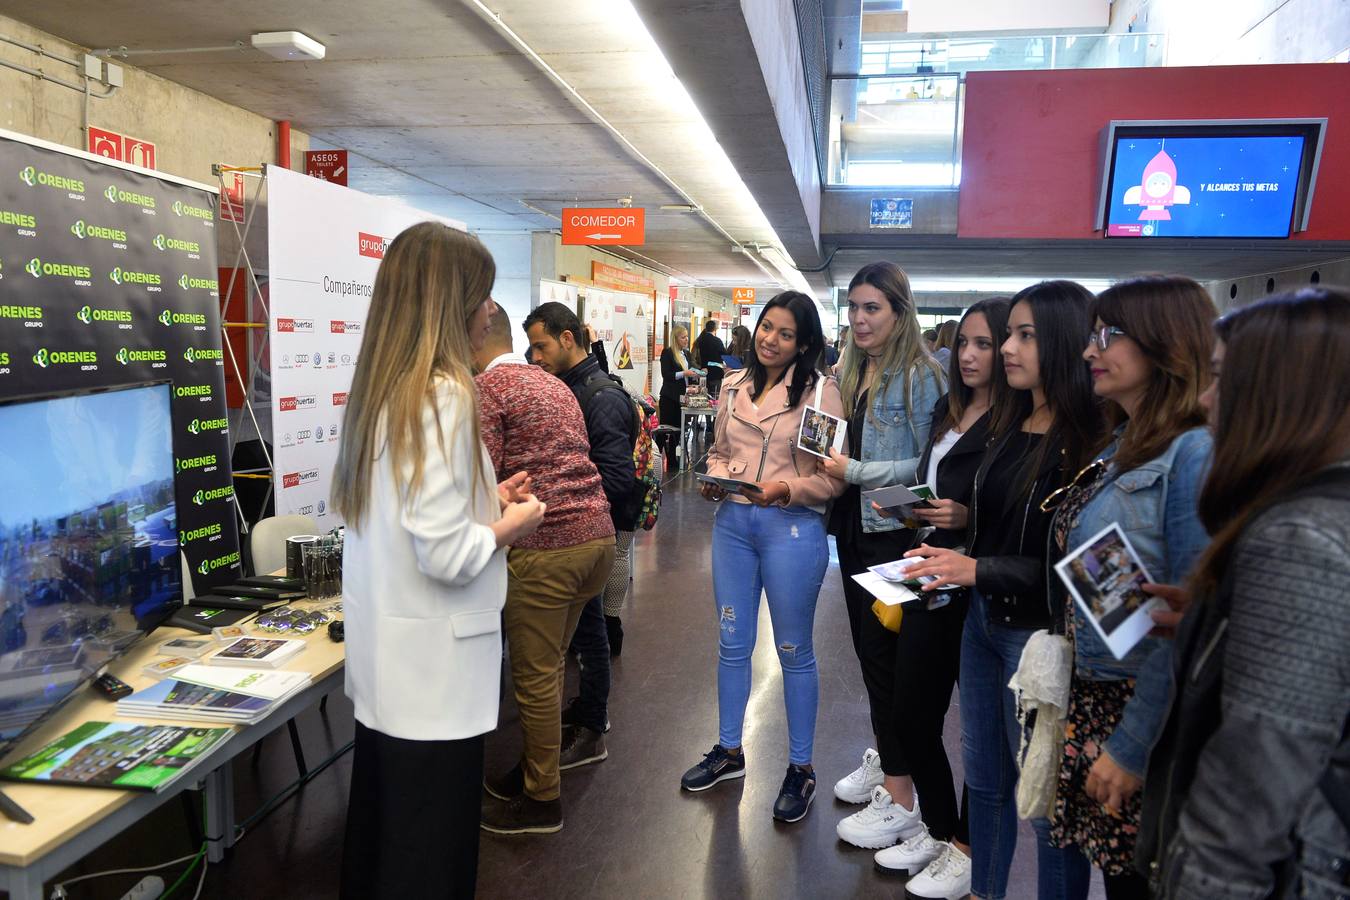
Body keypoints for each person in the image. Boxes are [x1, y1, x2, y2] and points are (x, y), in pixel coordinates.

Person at [332, 223, 545, 898]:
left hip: (389, 671)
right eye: (482, 295)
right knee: (429, 861)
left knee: (383, 847)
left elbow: (408, 518)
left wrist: (486, 500)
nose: (490, 310)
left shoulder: (384, 388)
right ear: (451, 303)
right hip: (435, 677)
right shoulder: (447, 394)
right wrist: (512, 525)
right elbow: (447, 555)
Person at [1137, 288, 1350, 899]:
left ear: (1279, 392)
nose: (1205, 400)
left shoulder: (1299, 539)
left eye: (1222, 379)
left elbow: (1256, 774)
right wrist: (1221, 621)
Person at [902, 280, 1103, 900]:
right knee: (986, 782)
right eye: (1007, 335)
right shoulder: (1012, 422)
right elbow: (996, 524)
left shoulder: (1088, 442)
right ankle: (983, 889)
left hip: (1039, 637)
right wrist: (955, 546)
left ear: (1063, 342)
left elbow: (1071, 565)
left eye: (1024, 336)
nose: (1008, 350)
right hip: (983, 624)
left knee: (1044, 804)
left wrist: (976, 569)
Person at [1039, 276, 1215, 899]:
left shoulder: (1192, 453)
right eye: (1093, 335)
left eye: (1109, 335)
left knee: (1139, 879)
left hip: (1141, 704)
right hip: (1100, 688)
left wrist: (1134, 745)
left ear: (1165, 344)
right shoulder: (1123, 444)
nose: (1091, 351)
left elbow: (1187, 621)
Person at [679, 291, 846, 823]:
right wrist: (715, 477)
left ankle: (801, 768)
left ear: (804, 343)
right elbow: (721, 453)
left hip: (791, 530)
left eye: (785, 333)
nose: (770, 340)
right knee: (732, 643)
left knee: (793, 649)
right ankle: (729, 750)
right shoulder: (733, 385)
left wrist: (785, 489)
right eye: (766, 327)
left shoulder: (820, 393)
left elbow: (831, 478)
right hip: (732, 526)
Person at [871, 297, 1012, 899]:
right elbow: (936, 485)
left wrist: (967, 516)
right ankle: (940, 827)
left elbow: (1012, 513)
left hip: (975, 583)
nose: (970, 356)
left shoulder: (1014, 424)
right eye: (966, 344)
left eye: (987, 344)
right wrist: (910, 508)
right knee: (911, 714)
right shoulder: (948, 409)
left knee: (981, 732)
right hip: (928, 572)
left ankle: (967, 847)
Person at [817, 261, 946, 851]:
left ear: (900, 311)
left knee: (887, 656)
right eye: (854, 308)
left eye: (873, 308)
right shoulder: (851, 368)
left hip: (895, 532)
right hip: (853, 526)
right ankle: (889, 760)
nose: (860, 319)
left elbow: (926, 465)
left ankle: (900, 795)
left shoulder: (921, 376)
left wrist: (856, 471)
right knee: (871, 655)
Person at [473, 308, 617, 835]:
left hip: (547, 547)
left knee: (536, 677)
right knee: (552, 664)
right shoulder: (554, 384)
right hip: (596, 540)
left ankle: (541, 801)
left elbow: (480, 477)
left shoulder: (488, 390)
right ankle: (538, 768)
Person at [524, 301, 640, 767]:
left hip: (589, 532)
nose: (535, 358)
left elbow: (616, 478)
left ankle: (592, 725)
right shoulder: (569, 389)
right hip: (581, 529)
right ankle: (588, 714)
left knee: (591, 634)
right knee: (584, 635)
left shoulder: (599, 397)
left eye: (541, 347)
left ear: (568, 339)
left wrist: (567, 508)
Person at [659, 324, 699, 463]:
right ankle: (662, 458)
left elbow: (689, 373)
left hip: (682, 398)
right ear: (675, 339)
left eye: (687, 337)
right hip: (669, 398)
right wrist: (684, 373)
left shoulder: (686, 354)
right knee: (667, 431)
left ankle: (675, 459)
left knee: (679, 430)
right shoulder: (667, 353)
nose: (686, 339)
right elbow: (666, 375)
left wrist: (696, 375)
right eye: (683, 337)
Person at [693, 319, 727, 397]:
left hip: (703, 373)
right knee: (715, 396)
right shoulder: (717, 341)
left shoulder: (700, 340)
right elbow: (725, 355)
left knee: (704, 396)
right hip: (716, 374)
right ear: (715, 329)